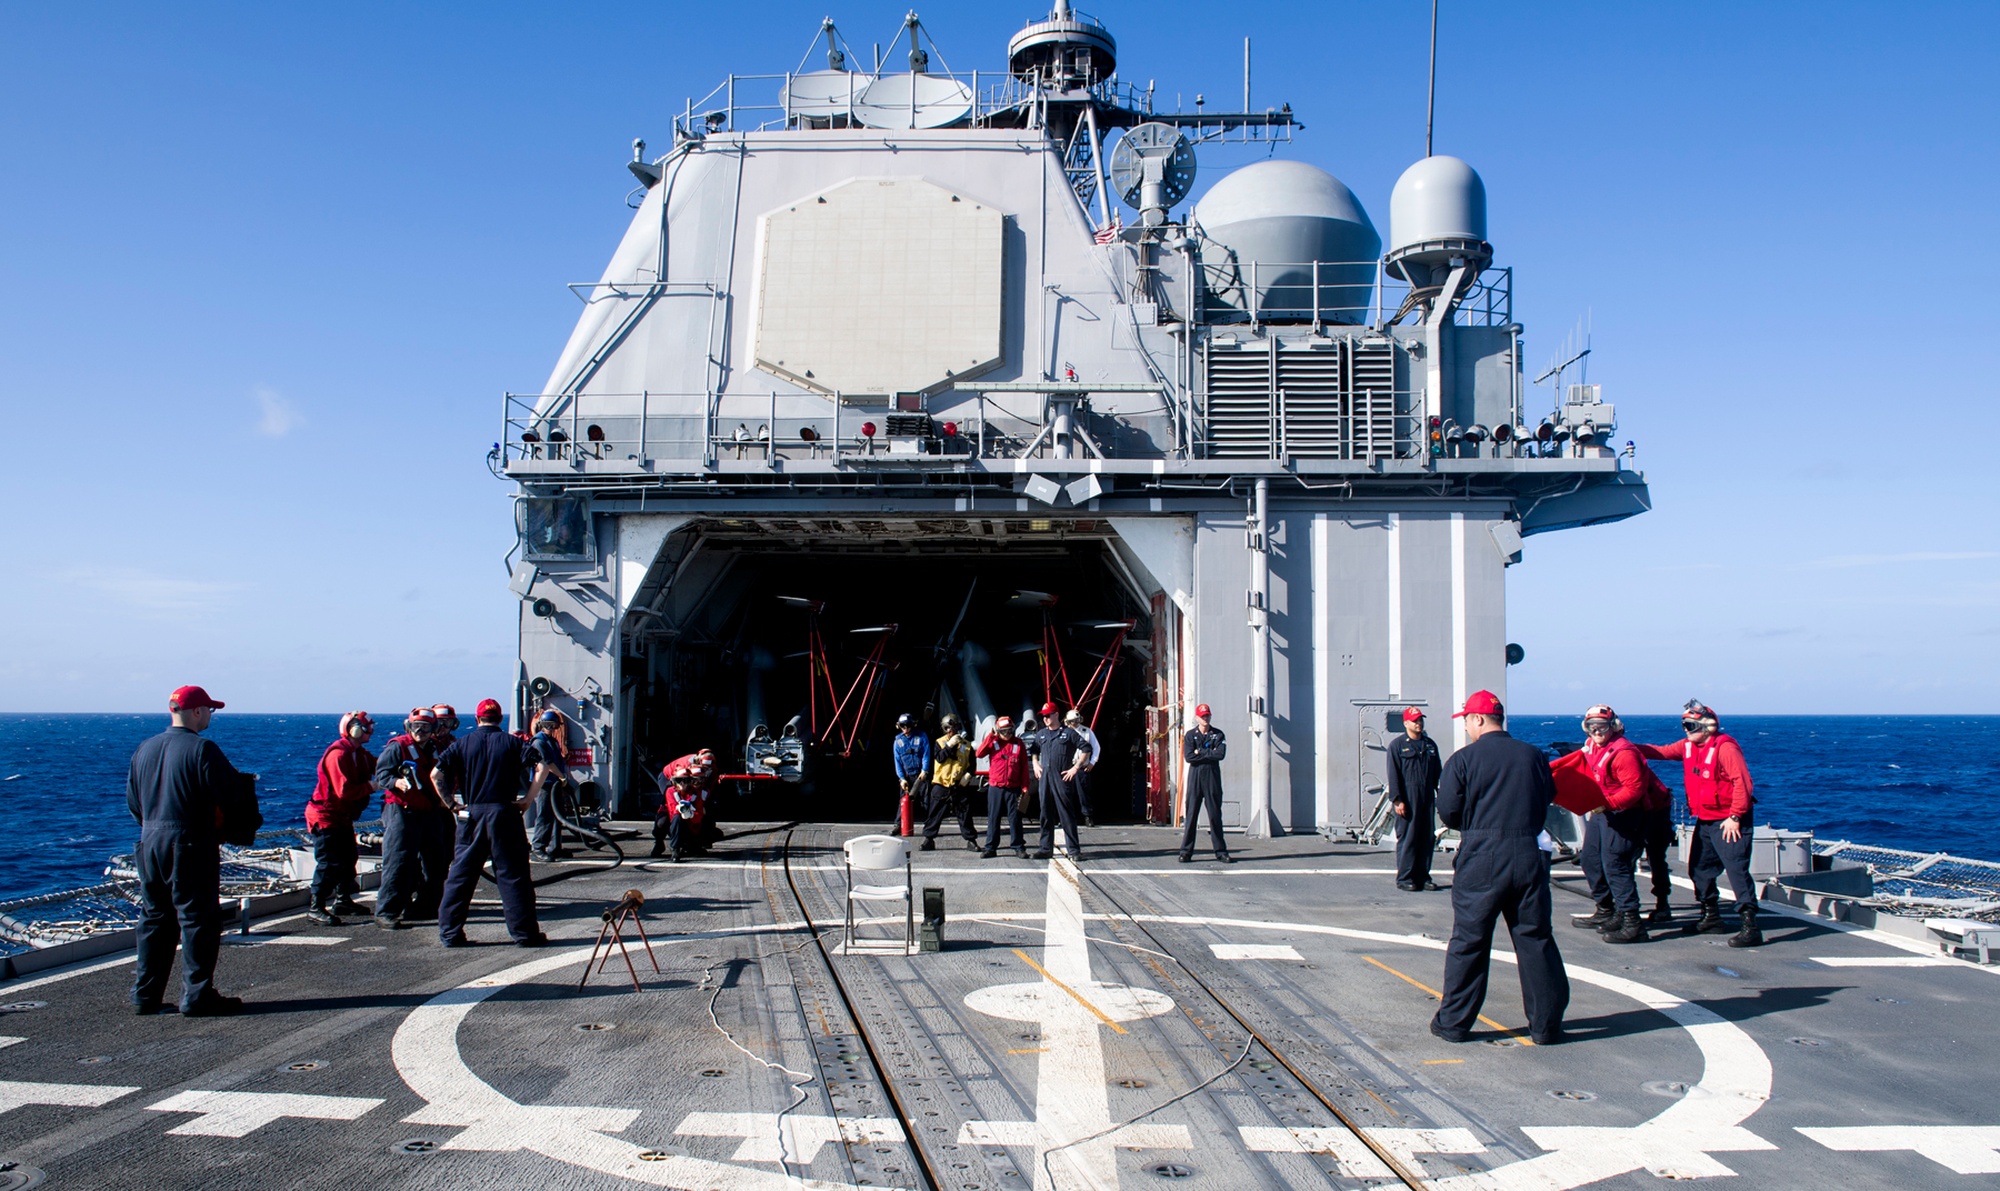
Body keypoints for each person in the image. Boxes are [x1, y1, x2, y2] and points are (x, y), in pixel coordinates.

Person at [1431, 690, 1568, 1045]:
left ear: (1478, 720)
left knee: (1470, 941)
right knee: (1535, 939)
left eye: (1466, 720)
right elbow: (1547, 797)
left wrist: (1479, 826)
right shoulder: (1534, 756)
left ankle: (1454, 1023)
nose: (1465, 727)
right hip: (1527, 850)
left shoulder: (1463, 760)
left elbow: (1448, 812)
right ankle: (1546, 1026)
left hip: (1482, 852)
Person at [128, 685, 254, 1016]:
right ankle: (197, 994)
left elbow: (133, 802)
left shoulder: (145, 748)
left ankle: (146, 994)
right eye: (209, 710)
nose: (210, 715)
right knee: (198, 919)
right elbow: (231, 795)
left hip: (149, 840)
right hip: (189, 842)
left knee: (155, 918)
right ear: (196, 712)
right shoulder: (202, 749)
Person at [1638, 700, 1762, 947]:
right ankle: (1711, 917)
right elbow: (1661, 752)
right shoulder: (1687, 747)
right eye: (1684, 725)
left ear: (1707, 726)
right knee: (1699, 869)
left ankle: (1750, 925)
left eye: (1691, 725)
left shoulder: (1725, 749)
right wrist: (1628, 747)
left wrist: (1735, 816)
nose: (1686, 729)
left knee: (1736, 871)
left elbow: (1743, 784)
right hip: (1706, 819)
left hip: (1729, 820)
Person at [431, 698, 549, 947]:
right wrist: (528, 799)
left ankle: (450, 934)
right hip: (504, 813)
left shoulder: (461, 745)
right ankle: (524, 934)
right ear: (499, 719)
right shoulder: (513, 743)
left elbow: (436, 774)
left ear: (477, 719)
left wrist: (451, 804)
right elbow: (542, 766)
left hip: (472, 815)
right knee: (513, 876)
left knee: (460, 876)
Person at [1576, 705, 1670, 944]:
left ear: (1613, 726)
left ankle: (1632, 921)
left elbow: (1635, 790)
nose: (1596, 731)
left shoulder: (1624, 752)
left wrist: (1606, 804)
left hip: (1625, 813)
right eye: (1591, 726)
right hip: (1604, 810)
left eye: (1602, 726)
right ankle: (1607, 909)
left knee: (1615, 863)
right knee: (1590, 859)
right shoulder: (1593, 747)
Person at [372, 708, 452, 929]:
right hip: (402, 810)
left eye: (426, 727)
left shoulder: (437, 748)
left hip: (430, 811)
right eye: (417, 727)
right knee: (398, 860)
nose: (421, 732)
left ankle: (427, 906)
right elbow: (383, 774)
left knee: (436, 862)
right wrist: (397, 783)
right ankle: (387, 911)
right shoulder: (397, 747)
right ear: (409, 727)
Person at [303, 711, 378, 926]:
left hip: (341, 817)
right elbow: (343, 790)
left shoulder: (358, 753)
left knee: (348, 858)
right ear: (353, 728)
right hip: (326, 816)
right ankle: (316, 907)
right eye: (365, 727)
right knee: (329, 862)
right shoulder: (339, 754)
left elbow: (377, 764)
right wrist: (371, 786)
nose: (369, 732)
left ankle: (343, 900)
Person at [1386, 706, 1440, 889]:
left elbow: (1437, 773)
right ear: (1406, 723)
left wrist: (1441, 795)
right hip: (1408, 797)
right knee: (1409, 837)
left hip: (1427, 797)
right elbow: (1393, 775)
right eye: (1415, 720)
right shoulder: (1397, 746)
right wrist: (1397, 799)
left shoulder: (1430, 745)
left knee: (1426, 837)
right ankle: (1405, 878)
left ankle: (1423, 877)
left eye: (1420, 720)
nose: (1419, 723)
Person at [1027, 702, 1089, 861]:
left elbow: (1086, 749)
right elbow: (1034, 750)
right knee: (1045, 814)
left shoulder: (1068, 733)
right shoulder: (1041, 734)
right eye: (1043, 716)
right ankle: (1045, 848)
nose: (1046, 719)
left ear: (1056, 715)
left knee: (1066, 814)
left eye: (1048, 715)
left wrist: (1075, 768)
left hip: (1061, 778)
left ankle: (1074, 850)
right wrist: (1035, 764)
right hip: (1045, 778)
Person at [1179, 703, 1232, 863]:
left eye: (1207, 715)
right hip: (1195, 776)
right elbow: (1189, 757)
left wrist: (1200, 751)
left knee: (1215, 815)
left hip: (1212, 777)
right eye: (1202, 716)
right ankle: (1186, 851)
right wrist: (1209, 753)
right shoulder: (1190, 735)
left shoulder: (1218, 734)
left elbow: (1220, 755)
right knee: (1191, 815)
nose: (1205, 718)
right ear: (1197, 718)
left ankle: (1221, 851)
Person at [922, 714, 980, 851]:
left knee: (964, 813)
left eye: (953, 727)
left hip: (959, 785)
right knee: (935, 813)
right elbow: (939, 758)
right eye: (947, 728)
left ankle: (971, 840)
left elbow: (972, 764)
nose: (950, 730)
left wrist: (969, 775)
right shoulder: (939, 743)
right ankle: (928, 839)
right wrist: (949, 746)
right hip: (941, 784)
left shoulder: (967, 745)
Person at [977, 716, 1030, 859]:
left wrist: (1025, 786)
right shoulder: (993, 742)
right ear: (997, 731)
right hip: (996, 787)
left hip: (1013, 787)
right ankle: (990, 847)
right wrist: (990, 736)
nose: (1007, 734)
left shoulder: (1019, 744)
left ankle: (1018, 846)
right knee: (993, 818)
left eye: (1009, 731)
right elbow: (979, 753)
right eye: (1003, 731)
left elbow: (1024, 766)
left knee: (1015, 818)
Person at [524, 709, 572, 861]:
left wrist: (561, 778)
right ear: (542, 725)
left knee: (558, 816)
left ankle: (555, 847)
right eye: (548, 725)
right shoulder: (539, 741)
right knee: (544, 815)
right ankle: (538, 847)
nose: (551, 728)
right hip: (545, 784)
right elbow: (547, 763)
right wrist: (562, 776)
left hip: (555, 783)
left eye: (554, 725)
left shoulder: (552, 741)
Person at [657, 764, 709, 862]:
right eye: (679, 781)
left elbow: (699, 812)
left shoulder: (697, 793)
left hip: (692, 825)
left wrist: (692, 815)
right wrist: (681, 810)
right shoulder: (670, 792)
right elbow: (672, 810)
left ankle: (694, 845)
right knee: (666, 820)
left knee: (708, 822)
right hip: (674, 823)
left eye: (686, 781)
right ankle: (673, 849)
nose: (683, 784)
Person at [892, 713, 931, 836]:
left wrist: (925, 770)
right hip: (907, 777)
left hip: (921, 775)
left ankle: (928, 826)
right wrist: (901, 778)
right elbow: (897, 761)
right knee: (903, 801)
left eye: (908, 725)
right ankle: (898, 825)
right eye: (902, 726)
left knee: (926, 800)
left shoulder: (921, 736)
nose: (905, 728)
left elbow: (926, 754)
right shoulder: (898, 741)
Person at [1064, 709, 1102, 827]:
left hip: (1082, 768)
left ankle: (1087, 816)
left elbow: (1096, 747)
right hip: (1067, 767)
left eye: (1076, 721)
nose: (1075, 724)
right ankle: (1065, 817)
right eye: (1072, 721)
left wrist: (1092, 762)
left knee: (1084, 793)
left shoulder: (1087, 731)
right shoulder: (1064, 732)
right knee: (1066, 793)